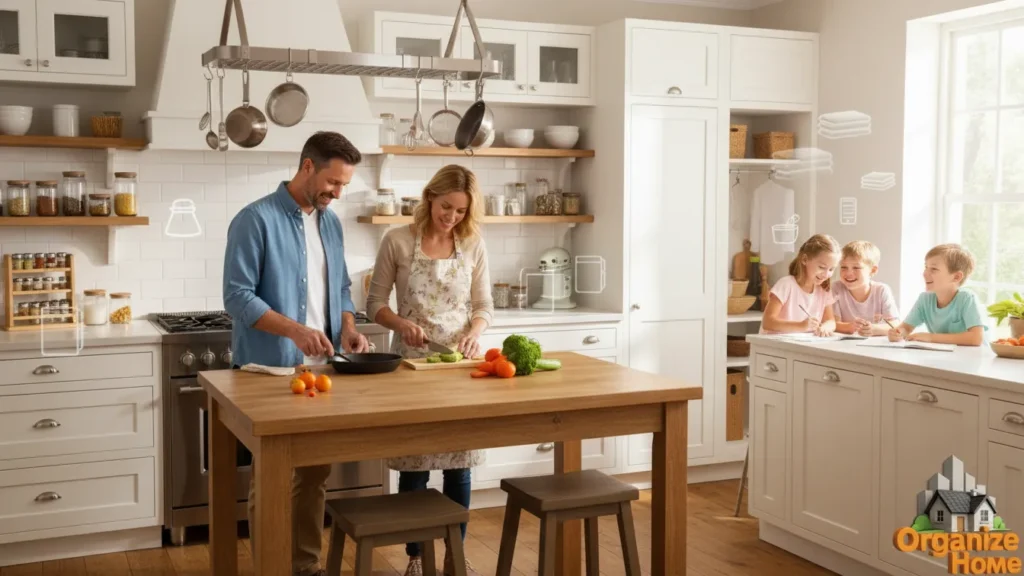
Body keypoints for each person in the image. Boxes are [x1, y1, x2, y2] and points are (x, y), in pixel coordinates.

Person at [223, 131, 370, 576]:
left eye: (344, 185)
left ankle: (305, 568)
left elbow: (341, 287)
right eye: (332, 182)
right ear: (307, 166)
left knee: (312, 475)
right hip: (267, 369)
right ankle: (270, 566)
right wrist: (295, 331)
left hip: (319, 369)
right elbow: (237, 297)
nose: (337, 193)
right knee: (271, 478)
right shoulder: (255, 220)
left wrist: (348, 326)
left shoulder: (331, 222)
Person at [365, 164, 493, 576]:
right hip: (412, 367)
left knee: (459, 465)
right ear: (429, 198)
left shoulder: (472, 244)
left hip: (458, 367)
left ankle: (455, 552)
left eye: (460, 211)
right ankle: (417, 557)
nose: (451, 217)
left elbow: (484, 307)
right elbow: (375, 304)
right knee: (415, 466)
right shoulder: (398, 241)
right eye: (445, 207)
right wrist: (400, 324)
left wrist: (475, 332)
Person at [888, 243, 986, 346]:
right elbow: (906, 328)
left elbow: (976, 338)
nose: (925, 273)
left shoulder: (966, 298)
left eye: (934, 269)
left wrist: (930, 337)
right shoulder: (924, 299)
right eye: (926, 267)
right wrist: (897, 333)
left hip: (973, 359)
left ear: (956, 277)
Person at [760, 233, 840, 336]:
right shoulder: (786, 284)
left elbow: (831, 321)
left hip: (803, 345)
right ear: (804, 260)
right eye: (821, 267)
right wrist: (801, 326)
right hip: (775, 346)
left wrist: (825, 327)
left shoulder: (823, 291)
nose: (826, 274)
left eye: (831, 269)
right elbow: (768, 322)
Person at [832, 240, 900, 336]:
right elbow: (831, 323)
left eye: (856, 268)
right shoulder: (836, 288)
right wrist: (849, 327)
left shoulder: (881, 290)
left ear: (873, 270)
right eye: (843, 267)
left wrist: (874, 329)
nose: (848, 273)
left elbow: (895, 325)